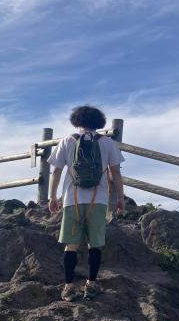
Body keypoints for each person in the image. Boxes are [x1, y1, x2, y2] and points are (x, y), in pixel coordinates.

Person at [48, 105, 125, 301]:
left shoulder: (67, 140)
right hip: (98, 200)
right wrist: (120, 198)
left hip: (71, 199)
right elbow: (116, 173)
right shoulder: (107, 142)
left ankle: (69, 286)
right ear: (99, 122)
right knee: (95, 245)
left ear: (77, 121)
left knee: (71, 245)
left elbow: (56, 171)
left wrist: (52, 196)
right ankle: (91, 284)